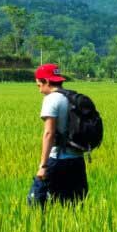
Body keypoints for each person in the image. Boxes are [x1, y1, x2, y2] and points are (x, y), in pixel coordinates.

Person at [28, 63, 88, 207]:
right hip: (78, 160)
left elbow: (49, 133)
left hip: (58, 160)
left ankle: (42, 228)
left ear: (47, 81)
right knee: (73, 205)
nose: (39, 90)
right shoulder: (73, 97)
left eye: (39, 85)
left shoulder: (51, 99)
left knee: (37, 202)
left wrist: (43, 165)